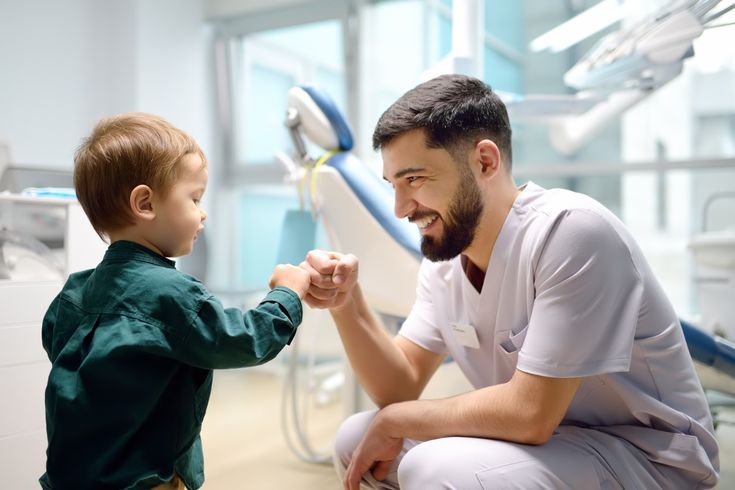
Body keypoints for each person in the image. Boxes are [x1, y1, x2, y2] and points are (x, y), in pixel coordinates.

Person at [300, 74, 719, 489]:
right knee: (356, 440)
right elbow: (399, 384)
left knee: (431, 466)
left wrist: (399, 420)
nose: (399, 208)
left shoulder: (572, 232)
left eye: (415, 180)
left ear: (485, 161)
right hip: (555, 445)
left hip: (649, 457)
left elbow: (530, 414)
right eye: (393, 185)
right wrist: (345, 302)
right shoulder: (445, 265)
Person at [40, 112, 310, 490]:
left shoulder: (72, 293)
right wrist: (288, 291)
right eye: (195, 198)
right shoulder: (174, 295)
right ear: (145, 203)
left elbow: (58, 348)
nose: (203, 213)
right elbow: (247, 340)